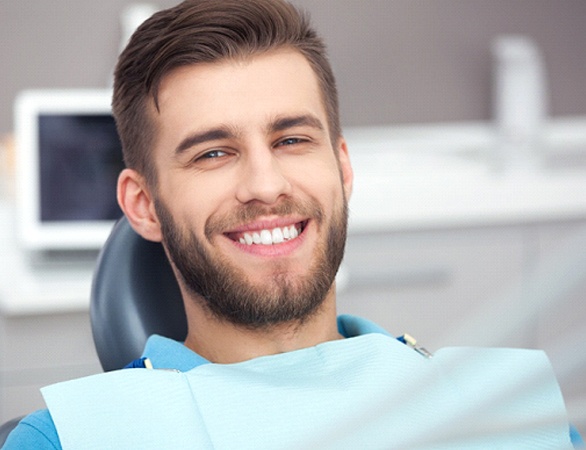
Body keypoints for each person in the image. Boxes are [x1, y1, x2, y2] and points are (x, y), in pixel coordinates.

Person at [3, 0, 583, 448]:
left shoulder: (511, 411)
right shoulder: (71, 438)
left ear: (342, 165)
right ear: (143, 205)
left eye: (291, 139)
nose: (265, 185)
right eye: (212, 153)